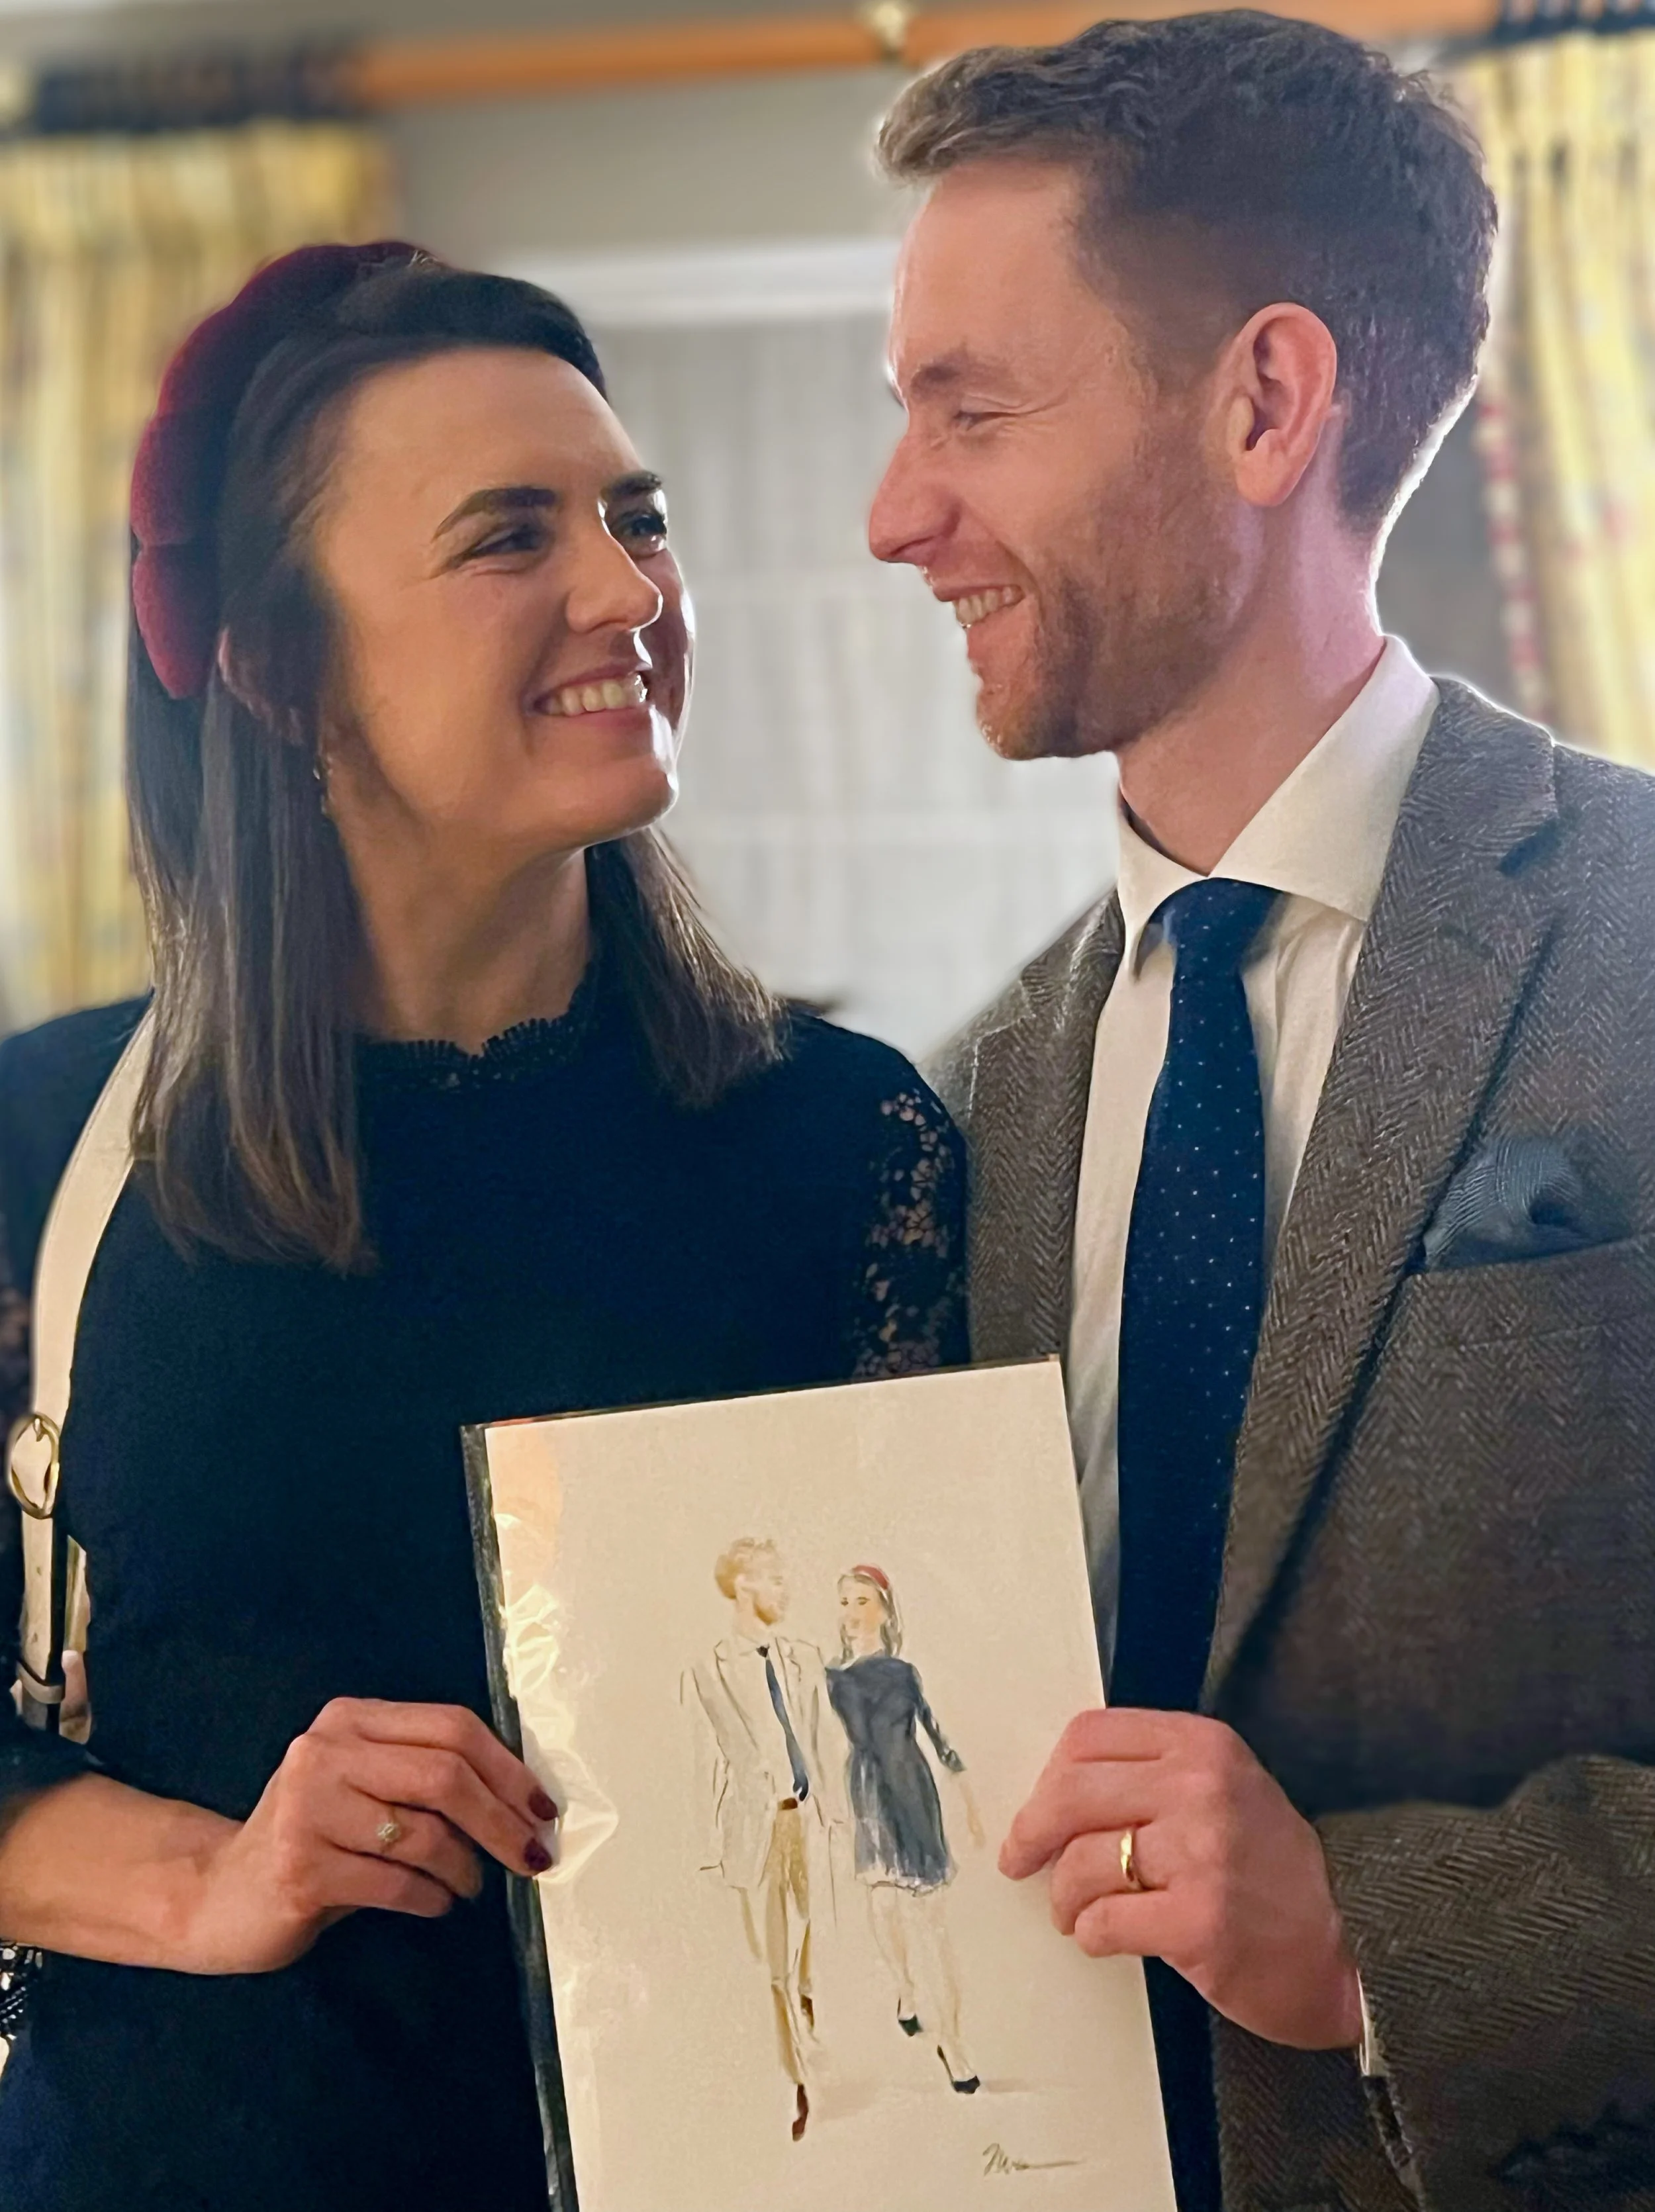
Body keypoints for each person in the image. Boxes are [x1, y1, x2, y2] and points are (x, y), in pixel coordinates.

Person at [0, 243, 967, 2212]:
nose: (627, 591)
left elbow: (933, 1756)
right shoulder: (38, 1152)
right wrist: (215, 1875)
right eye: (503, 537)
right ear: (274, 661)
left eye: (637, 517)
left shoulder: (854, 1148)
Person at [870, 15, 1655, 2212]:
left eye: (973, 409)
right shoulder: (962, 1104)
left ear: (1267, 401)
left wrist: (1386, 1944)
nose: (893, 512)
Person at [683, 1537, 845, 2141]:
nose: (786, 1591)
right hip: (759, 1827)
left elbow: (822, 1738)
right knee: (773, 1965)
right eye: (775, 1579)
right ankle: (796, 2086)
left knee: (812, 1955)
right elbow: (705, 1762)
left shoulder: (802, 1656)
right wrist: (705, 1851)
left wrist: (837, 1812)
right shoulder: (708, 1668)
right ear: (744, 1583)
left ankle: (811, 2062)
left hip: (809, 1820)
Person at [826, 1563, 982, 2094]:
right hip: (868, 1792)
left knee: (931, 1920)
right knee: (883, 1903)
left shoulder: (903, 1673)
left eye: (862, 1602)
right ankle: (904, 1986)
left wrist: (969, 1799)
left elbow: (937, 1736)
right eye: (844, 1601)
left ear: (885, 1611)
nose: (851, 1613)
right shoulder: (831, 1677)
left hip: (913, 1790)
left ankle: (954, 2043)